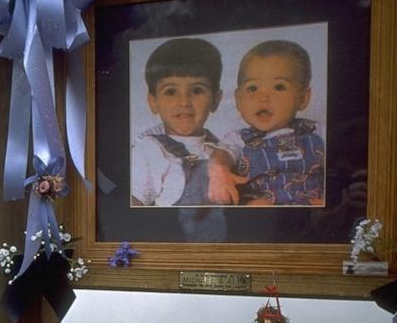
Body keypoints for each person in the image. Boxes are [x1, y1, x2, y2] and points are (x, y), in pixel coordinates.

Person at [130, 37, 235, 207]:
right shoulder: (148, 152)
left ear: (216, 100)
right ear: (153, 102)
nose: (184, 102)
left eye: (197, 90)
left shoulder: (226, 150)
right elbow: (132, 208)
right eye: (171, 91)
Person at [220, 40, 326, 206]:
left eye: (279, 87)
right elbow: (221, 156)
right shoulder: (238, 139)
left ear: (303, 98)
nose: (263, 97)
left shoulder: (318, 131)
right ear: (238, 100)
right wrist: (219, 171)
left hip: (313, 205)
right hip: (261, 208)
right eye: (253, 88)